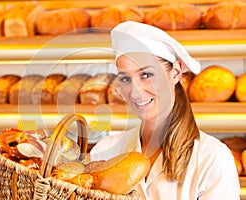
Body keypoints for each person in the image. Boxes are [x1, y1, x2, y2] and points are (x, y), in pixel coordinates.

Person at [90, 21, 240, 199]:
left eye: (146, 75)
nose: (135, 91)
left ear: (175, 73)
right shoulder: (105, 151)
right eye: (125, 79)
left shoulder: (213, 158)